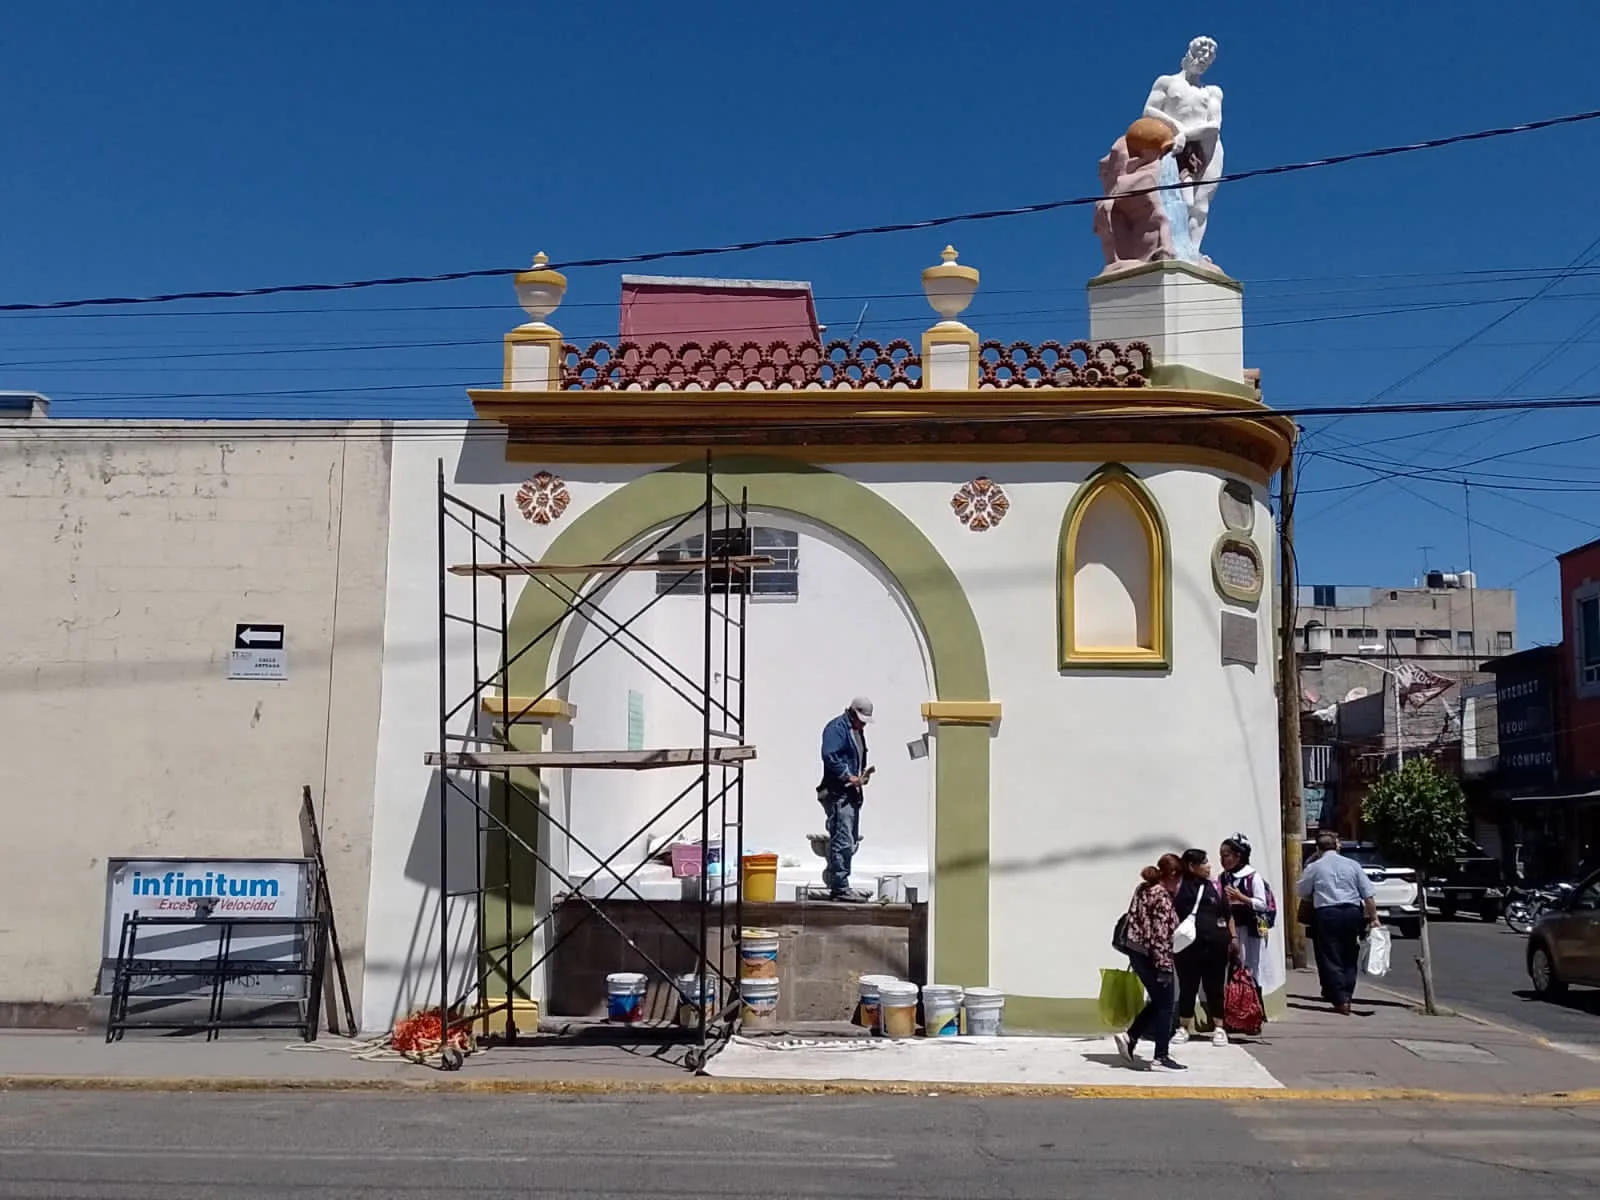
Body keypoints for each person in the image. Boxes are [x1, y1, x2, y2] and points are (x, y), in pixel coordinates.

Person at [1114, 854, 1187, 1071]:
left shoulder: (1143, 888)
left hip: (1136, 952)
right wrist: (1164, 967)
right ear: (1173, 875)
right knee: (1165, 1004)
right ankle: (1161, 1057)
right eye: (1179, 878)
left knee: (1158, 1001)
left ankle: (1131, 1036)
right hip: (1153, 956)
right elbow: (1160, 936)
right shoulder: (1162, 897)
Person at [1297, 831, 1379, 1014]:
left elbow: (1302, 891)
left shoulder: (1314, 867)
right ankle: (1347, 993)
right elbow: (1368, 894)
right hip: (1352, 912)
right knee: (1350, 953)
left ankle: (1340, 999)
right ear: (1336, 846)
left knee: (1330, 956)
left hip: (1327, 913)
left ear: (1318, 849)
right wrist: (1374, 918)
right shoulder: (1353, 865)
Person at [1172, 848, 1237, 1046]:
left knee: (1215, 987)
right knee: (1187, 987)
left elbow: (1228, 915)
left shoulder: (1216, 887)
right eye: (1204, 862)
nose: (1209, 866)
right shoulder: (1179, 888)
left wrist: (1233, 937)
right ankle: (1183, 1027)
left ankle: (1219, 1027)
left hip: (1215, 946)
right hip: (1188, 949)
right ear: (1192, 866)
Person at [816, 697, 875, 901]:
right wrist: (848, 776)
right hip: (837, 792)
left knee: (848, 839)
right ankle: (840, 887)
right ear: (852, 713)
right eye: (861, 719)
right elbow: (830, 755)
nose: (864, 723)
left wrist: (859, 778)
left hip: (850, 792)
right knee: (843, 840)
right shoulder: (836, 728)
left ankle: (840, 884)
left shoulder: (855, 730)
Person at [1219, 834, 1269, 983]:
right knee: (1235, 964)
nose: (1222, 860)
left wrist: (1241, 898)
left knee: (1251, 965)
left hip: (1251, 927)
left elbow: (1262, 904)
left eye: (1226, 856)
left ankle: (1253, 1000)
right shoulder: (1224, 877)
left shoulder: (1252, 877)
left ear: (1238, 856)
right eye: (1221, 856)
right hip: (1233, 927)